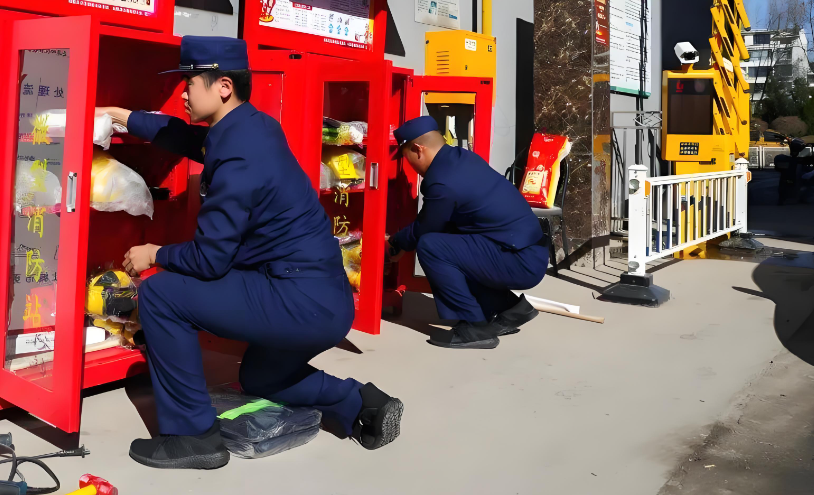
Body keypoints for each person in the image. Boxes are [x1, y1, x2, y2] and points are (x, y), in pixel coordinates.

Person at [103, 35, 402, 470]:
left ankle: (192, 437)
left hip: (296, 299)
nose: (183, 91)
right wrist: (125, 117)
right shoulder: (252, 126)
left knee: (162, 295)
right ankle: (361, 404)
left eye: (191, 82)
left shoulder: (239, 157)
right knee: (261, 376)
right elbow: (188, 139)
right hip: (324, 300)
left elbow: (210, 259)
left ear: (223, 86)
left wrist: (155, 253)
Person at [385, 116, 547, 349]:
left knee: (432, 246)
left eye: (405, 156)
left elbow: (426, 227)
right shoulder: (461, 158)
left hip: (520, 260)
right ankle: (511, 309)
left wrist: (396, 242)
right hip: (526, 251)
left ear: (417, 149)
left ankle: (476, 327)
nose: (408, 163)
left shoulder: (442, 181)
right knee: (450, 241)